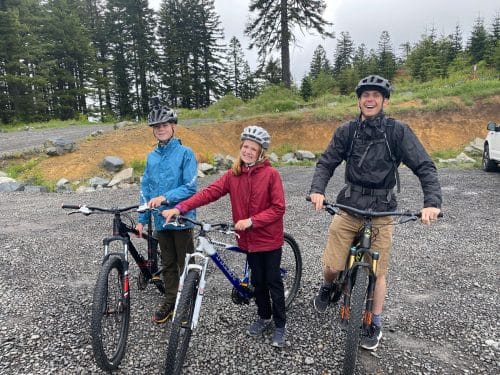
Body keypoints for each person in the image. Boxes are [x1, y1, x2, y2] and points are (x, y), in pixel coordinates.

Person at [309, 75, 442, 350]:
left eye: (376, 95)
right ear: (359, 100)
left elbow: (425, 166)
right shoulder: (347, 131)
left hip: (382, 210)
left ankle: (375, 321)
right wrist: (317, 190)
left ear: (384, 101)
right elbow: (326, 162)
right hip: (349, 205)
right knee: (333, 266)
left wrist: (432, 202)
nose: (370, 100)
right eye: (365, 95)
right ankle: (328, 286)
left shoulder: (397, 131)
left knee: (379, 272)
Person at [162, 125, 288, 348]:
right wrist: (180, 208)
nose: (248, 151)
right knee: (258, 282)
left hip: (268, 239)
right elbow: (208, 193)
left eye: (253, 148)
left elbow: (278, 208)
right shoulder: (233, 175)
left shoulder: (271, 174)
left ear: (261, 152)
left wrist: (252, 221)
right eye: (245, 147)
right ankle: (264, 316)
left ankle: (280, 325)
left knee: (273, 282)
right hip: (248, 240)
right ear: (241, 148)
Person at [136, 97, 198, 324]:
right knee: (168, 264)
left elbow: (191, 186)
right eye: (156, 127)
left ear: (173, 126)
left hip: (181, 217)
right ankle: (171, 301)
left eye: (164, 125)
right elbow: (145, 189)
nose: (160, 130)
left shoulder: (185, 153)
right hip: (160, 221)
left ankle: (188, 303)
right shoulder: (151, 157)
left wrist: (166, 198)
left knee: (186, 263)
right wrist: (141, 219)